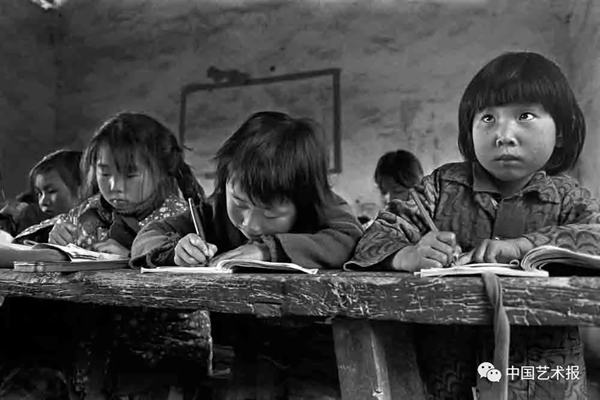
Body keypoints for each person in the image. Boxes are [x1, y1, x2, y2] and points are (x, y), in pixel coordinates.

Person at [346, 52, 595, 399]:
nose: (503, 135)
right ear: (469, 129)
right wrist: (408, 255)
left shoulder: (568, 198)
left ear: (562, 131)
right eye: (488, 117)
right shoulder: (439, 188)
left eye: (525, 115)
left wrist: (522, 246)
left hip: (543, 375)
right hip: (448, 373)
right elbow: (373, 238)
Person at [130, 111, 362, 271]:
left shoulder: (319, 206)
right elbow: (147, 236)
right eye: (240, 203)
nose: (250, 224)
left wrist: (267, 251)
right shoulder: (214, 211)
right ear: (225, 183)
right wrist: (175, 252)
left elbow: (349, 239)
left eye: (270, 213)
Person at [5, 149, 82, 243]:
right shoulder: (33, 222)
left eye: (51, 191)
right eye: (39, 193)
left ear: (81, 188)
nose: (43, 202)